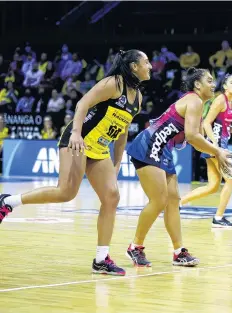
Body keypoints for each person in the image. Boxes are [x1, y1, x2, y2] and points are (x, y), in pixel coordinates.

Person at [0, 49, 152, 276]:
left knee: (112, 197)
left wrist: (118, 162)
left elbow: (123, 132)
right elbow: (83, 103)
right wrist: (76, 134)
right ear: (133, 66)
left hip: (99, 148)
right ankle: (9, 202)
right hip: (79, 140)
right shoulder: (114, 84)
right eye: (146, 62)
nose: (150, 66)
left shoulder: (137, 98)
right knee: (66, 192)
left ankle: (101, 259)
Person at [125, 67, 232, 267]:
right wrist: (218, 151)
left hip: (163, 149)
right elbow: (192, 136)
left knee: (173, 201)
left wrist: (218, 152)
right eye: (209, 80)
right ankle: (135, 246)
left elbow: (197, 139)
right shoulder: (194, 100)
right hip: (149, 144)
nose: (213, 84)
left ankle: (178, 252)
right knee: (159, 201)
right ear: (197, 85)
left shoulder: (200, 105)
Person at [180, 74, 232, 228]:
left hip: (220, 145)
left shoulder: (231, 102)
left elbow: (223, 124)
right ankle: (219, 217)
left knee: (213, 186)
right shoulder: (220, 100)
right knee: (231, 180)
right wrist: (215, 145)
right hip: (215, 146)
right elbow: (207, 123)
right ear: (224, 86)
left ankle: (179, 202)